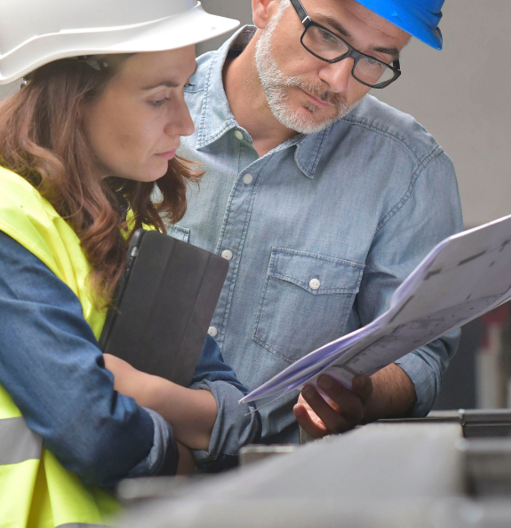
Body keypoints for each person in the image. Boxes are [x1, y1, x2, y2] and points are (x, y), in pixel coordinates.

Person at [0, 1, 253, 526]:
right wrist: (183, 458)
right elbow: (93, 430)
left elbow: (236, 412)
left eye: (185, 91)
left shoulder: (119, 226)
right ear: (75, 98)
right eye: (159, 97)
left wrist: (144, 393)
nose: (184, 123)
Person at [171, 0, 462, 443]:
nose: (338, 80)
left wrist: (365, 393)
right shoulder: (143, 109)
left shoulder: (409, 171)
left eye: (375, 60)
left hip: (287, 501)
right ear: (265, 5)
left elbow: (419, 353)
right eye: (326, 35)